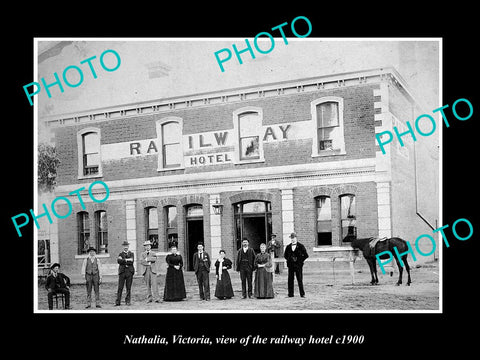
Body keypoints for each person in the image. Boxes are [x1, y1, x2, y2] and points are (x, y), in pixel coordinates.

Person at [284, 232, 309, 298]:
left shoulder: (301, 246)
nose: (293, 239)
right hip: (291, 266)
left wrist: (300, 261)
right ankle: (290, 294)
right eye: (291, 238)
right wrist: (290, 259)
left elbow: (306, 255)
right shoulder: (288, 247)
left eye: (294, 238)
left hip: (298, 266)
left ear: (296, 238)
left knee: (299, 279)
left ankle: (302, 294)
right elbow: (285, 255)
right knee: (290, 279)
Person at [115, 240, 135, 306]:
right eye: (124, 246)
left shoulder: (131, 254)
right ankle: (118, 302)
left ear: (128, 246)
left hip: (129, 272)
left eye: (127, 246)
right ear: (123, 246)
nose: (126, 247)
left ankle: (128, 301)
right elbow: (119, 261)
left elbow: (131, 261)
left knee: (128, 287)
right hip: (122, 272)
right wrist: (127, 260)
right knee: (120, 287)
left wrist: (123, 260)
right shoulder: (120, 254)